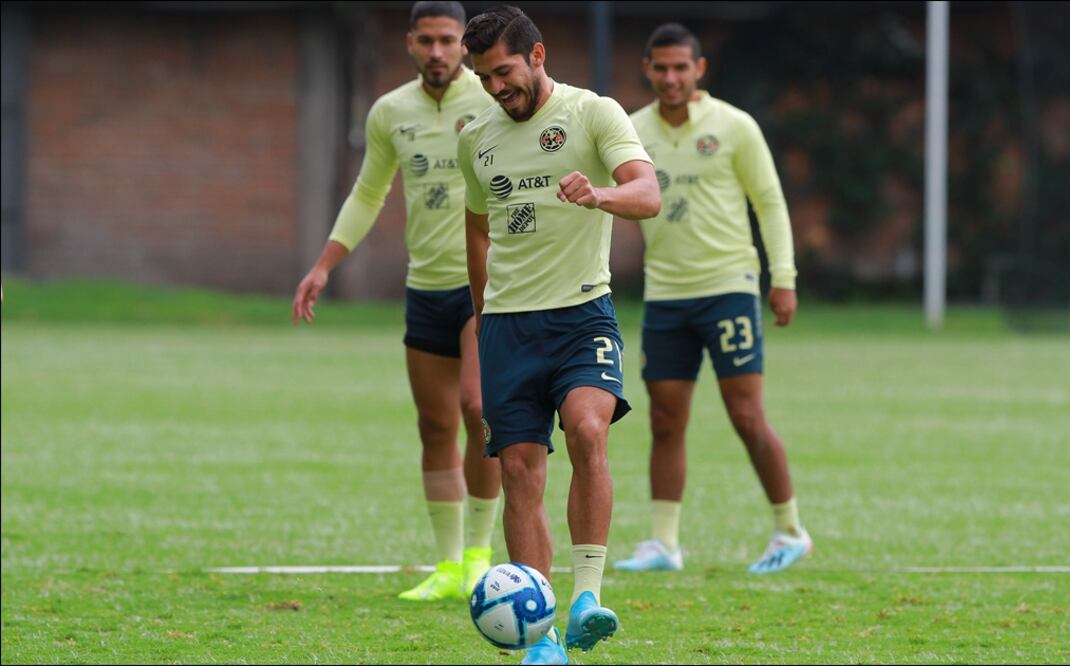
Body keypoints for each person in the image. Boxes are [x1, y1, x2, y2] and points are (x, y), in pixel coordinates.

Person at [457, 6, 660, 664]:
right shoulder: (476, 137)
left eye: (504, 72)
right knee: (519, 472)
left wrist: (598, 195)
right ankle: (542, 639)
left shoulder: (593, 113)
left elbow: (647, 193)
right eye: (483, 77)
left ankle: (586, 600)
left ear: (537, 56)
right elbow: (478, 227)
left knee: (588, 430)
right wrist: (482, 313)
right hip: (508, 327)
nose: (495, 88)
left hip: (581, 314)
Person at [291, 1, 501, 602]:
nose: (437, 52)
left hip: (485, 284)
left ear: (464, 44)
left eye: (448, 41)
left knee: (477, 405)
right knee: (434, 423)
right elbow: (368, 192)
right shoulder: (390, 112)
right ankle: (448, 565)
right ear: (410, 43)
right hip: (425, 287)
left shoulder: (490, 101)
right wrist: (324, 266)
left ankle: (483, 557)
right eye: (426, 41)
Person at [613, 23, 813, 576]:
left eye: (683, 67)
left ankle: (790, 529)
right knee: (665, 420)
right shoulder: (631, 130)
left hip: (728, 289)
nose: (672, 77)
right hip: (666, 298)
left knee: (746, 415)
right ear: (648, 69)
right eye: (662, 68)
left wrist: (784, 276)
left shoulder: (734, 126)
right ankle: (663, 544)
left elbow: (769, 201)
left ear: (699, 70)